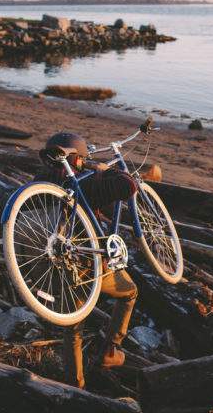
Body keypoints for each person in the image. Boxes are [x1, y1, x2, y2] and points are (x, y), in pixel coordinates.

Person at [36, 132, 138, 389]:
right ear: (78, 159)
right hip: (87, 265)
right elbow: (129, 185)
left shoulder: (41, 182)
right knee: (130, 292)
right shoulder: (89, 185)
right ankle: (110, 350)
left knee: (73, 327)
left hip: (53, 265)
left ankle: (75, 384)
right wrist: (101, 168)